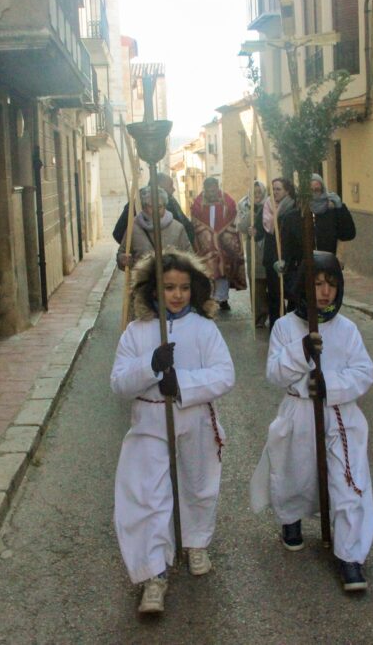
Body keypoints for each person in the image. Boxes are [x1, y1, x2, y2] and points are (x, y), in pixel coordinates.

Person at [111, 248, 236, 614]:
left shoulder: (204, 329)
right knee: (148, 495)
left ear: (194, 289)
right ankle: (154, 572)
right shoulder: (136, 332)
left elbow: (225, 374)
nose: (177, 295)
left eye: (183, 287)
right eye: (168, 288)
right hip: (150, 422)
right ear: (153, 290)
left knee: (198, 484)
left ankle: (196, 541)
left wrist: (180, 383)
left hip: (195, 419)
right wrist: (150, 365)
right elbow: (119, 383)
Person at [250, 251, 373, 592]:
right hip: (299, 413)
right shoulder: (284, 326)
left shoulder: (347, 329)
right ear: (303, 286)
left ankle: (350, 554)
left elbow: (364, 372)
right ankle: (291, 518)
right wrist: (301, 351)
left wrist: (330, 385)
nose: (324, 291)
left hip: (340, 416)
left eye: (331, 284)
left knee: (347, 482)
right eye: (317, 284)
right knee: (295, 473)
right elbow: (275, 373)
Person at [277, 173, 355, 310]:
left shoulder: (331, 214)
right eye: (310, 191)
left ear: (323, 190)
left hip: (326, 273)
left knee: (326, 311)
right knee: (300, 312)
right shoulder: (292, 217)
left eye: (317, 190)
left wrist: (341, 208)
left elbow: (348, 234)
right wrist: (283, 266)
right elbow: (285, 248)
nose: (314, 194)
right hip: (301, 274)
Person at [190, 177, 246, 311]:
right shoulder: (198, 202)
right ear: (205, 188)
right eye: (208, 188)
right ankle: (209, 298)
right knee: (208, 270)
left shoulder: (227, 201)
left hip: (223, 242)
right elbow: (195, 221)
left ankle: (223, 299)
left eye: (213, 188)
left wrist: (222, 234)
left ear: (217, 187)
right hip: (206, 243)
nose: (211, 191)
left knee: (223, 270)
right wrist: (208, 235)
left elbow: (232, 215)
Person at [116, 185, 191, 270]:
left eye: (159, 207)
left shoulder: (177, 228)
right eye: (151, 206)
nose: (156, 210)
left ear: (165, 206)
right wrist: (122, 259)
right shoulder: (134, 228)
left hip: (170, 276)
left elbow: (189, 256)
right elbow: (122, 253)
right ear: (144, 207)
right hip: (142, 277)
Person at [113, 175, 195, 246]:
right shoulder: (136, 204)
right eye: (170, 186)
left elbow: (185, 228)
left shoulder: (170, 200)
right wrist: (138, 249)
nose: (174, 189)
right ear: (159, 187)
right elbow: (118, 233)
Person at [262, 178, 294, 328]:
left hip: (288, 257)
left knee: (291, 294)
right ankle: (276, 326)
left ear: (287, 191)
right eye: (273, 189)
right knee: (274, 295)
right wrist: (253, 230)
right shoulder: (267, 205)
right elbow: (258, 226)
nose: (274, 192)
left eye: (278, 189)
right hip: (271, 257)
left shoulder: (293, 206)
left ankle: (292, 325)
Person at [237, 180, 269, 327]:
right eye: (254, 193)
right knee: (257, 286)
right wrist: (252, 210)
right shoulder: (244, 206)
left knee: (271, 284)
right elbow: (241, 227)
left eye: (259, 192)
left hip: (268, 249)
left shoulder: (270, 205)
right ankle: (259, 318)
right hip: (254, 252)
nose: (257, 195)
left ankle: (275, 313)